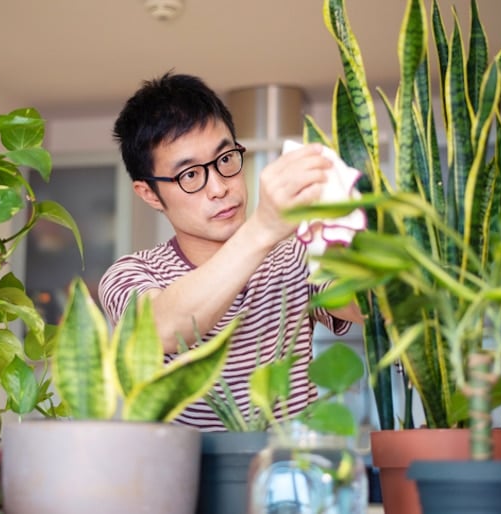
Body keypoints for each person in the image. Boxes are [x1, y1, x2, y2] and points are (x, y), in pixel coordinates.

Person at [98, 72, 363, 431]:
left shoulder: (295, 257)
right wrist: (264, 228)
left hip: (291, 476)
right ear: (148, 193)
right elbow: (161, 328)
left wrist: (347, 221)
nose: (220, 187)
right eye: (190, 175)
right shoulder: (131, 273)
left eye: (225, 159)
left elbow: (373, 308)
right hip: (187, 479)